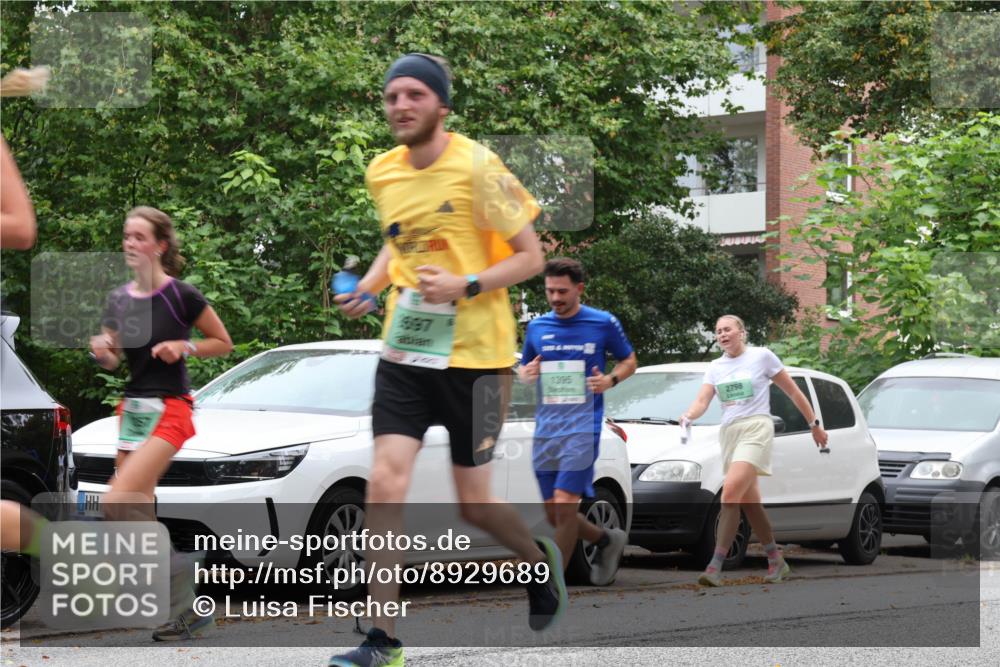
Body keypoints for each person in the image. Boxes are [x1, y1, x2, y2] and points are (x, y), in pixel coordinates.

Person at [329, 53, 563, 667]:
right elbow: (397, 240)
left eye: (413, 95)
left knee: (475, 504)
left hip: (479, 360)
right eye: (391, 97)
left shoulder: (481, 168)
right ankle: (382, 640)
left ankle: (539, 564)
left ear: (441, 105)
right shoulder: (382, 171)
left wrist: (465, 285)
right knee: (385, 482)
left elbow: (531, 258)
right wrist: (371, 287)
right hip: (406, 351)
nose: (400, 106)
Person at [90, 206, 233, 639]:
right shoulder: (119, 298)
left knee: (116, 503)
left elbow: (221, 343)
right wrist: (104, 350)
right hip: (133, 412)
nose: (130, 244)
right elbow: (114, 356)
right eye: (126, 236)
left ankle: (181, 568)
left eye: (139, 237)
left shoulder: (182, 296)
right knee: (136, 510)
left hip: (171, 409)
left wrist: (182, 347)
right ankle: (187, 611)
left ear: (160, 246)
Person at [680, 314, 828, 587]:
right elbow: (702, 400)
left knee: (730, 492)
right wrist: (689, 414)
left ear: (741, 332)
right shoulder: (715, 366)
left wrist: (814, 425)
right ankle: (776, 560)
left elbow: (794, 392)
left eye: (727, 329)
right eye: (718, 331)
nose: (722, 334)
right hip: (730, 433)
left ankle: (714, 566)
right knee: (750, 503)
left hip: (757, 428)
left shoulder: (762, 356)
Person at [518, 258, 637, 585]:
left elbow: (629, 360)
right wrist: (525, 374)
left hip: (583, 428)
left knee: (566, 507)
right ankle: (604, 539)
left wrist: (610, 380)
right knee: (554, 513)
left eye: (562, 291)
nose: (555, 297)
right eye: (550, 291)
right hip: (547, 429)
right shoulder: (537, 327)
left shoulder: (602, 323)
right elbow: (526, 368)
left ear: (579, 289)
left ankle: (551, 584)